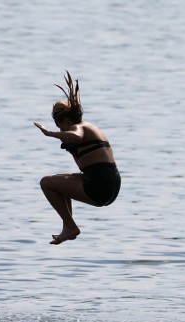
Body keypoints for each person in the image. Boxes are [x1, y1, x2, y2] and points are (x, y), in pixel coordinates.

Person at [34, 71, 121, 245]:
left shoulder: (79, 127)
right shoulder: (90, 127)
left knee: (46, 183)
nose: (61, 131)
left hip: (100, 187)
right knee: (57, 181)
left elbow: (77, 135)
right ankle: (68, 226)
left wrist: (49, 134)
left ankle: (70, 226)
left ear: (67, 120)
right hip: (111, 183)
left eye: (60, 126)